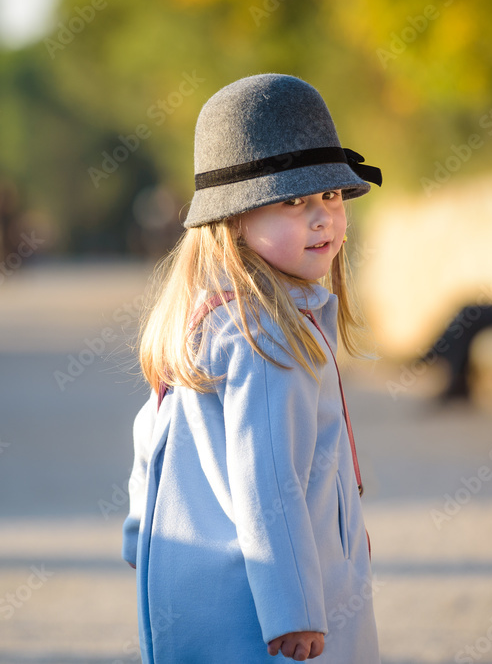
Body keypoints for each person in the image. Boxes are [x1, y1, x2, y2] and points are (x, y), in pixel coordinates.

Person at [122, 74, 383, 663]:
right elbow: (270, 479)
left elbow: (150, 439)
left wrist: (141, 535)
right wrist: (294, 612)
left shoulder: (209, 314)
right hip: (273, 617)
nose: (322, 219)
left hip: (202, 596)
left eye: (331, 197)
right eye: (293, 202)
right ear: (235, 218)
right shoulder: (267, 333)